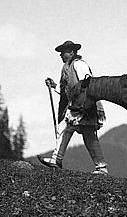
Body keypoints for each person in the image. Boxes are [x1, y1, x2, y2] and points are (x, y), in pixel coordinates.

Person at [38, 40, 108, 174]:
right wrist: (54, 86)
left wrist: (86, 104)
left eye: (63, 52)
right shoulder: (68, 67)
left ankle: (57, 160)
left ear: (71, 52)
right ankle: (101, 167)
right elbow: (68, 89)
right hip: (77, 106)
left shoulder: (79, 65)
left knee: (69, 129)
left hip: (84, 106)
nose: (61, 55)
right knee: (85, 134)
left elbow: (87, 83)